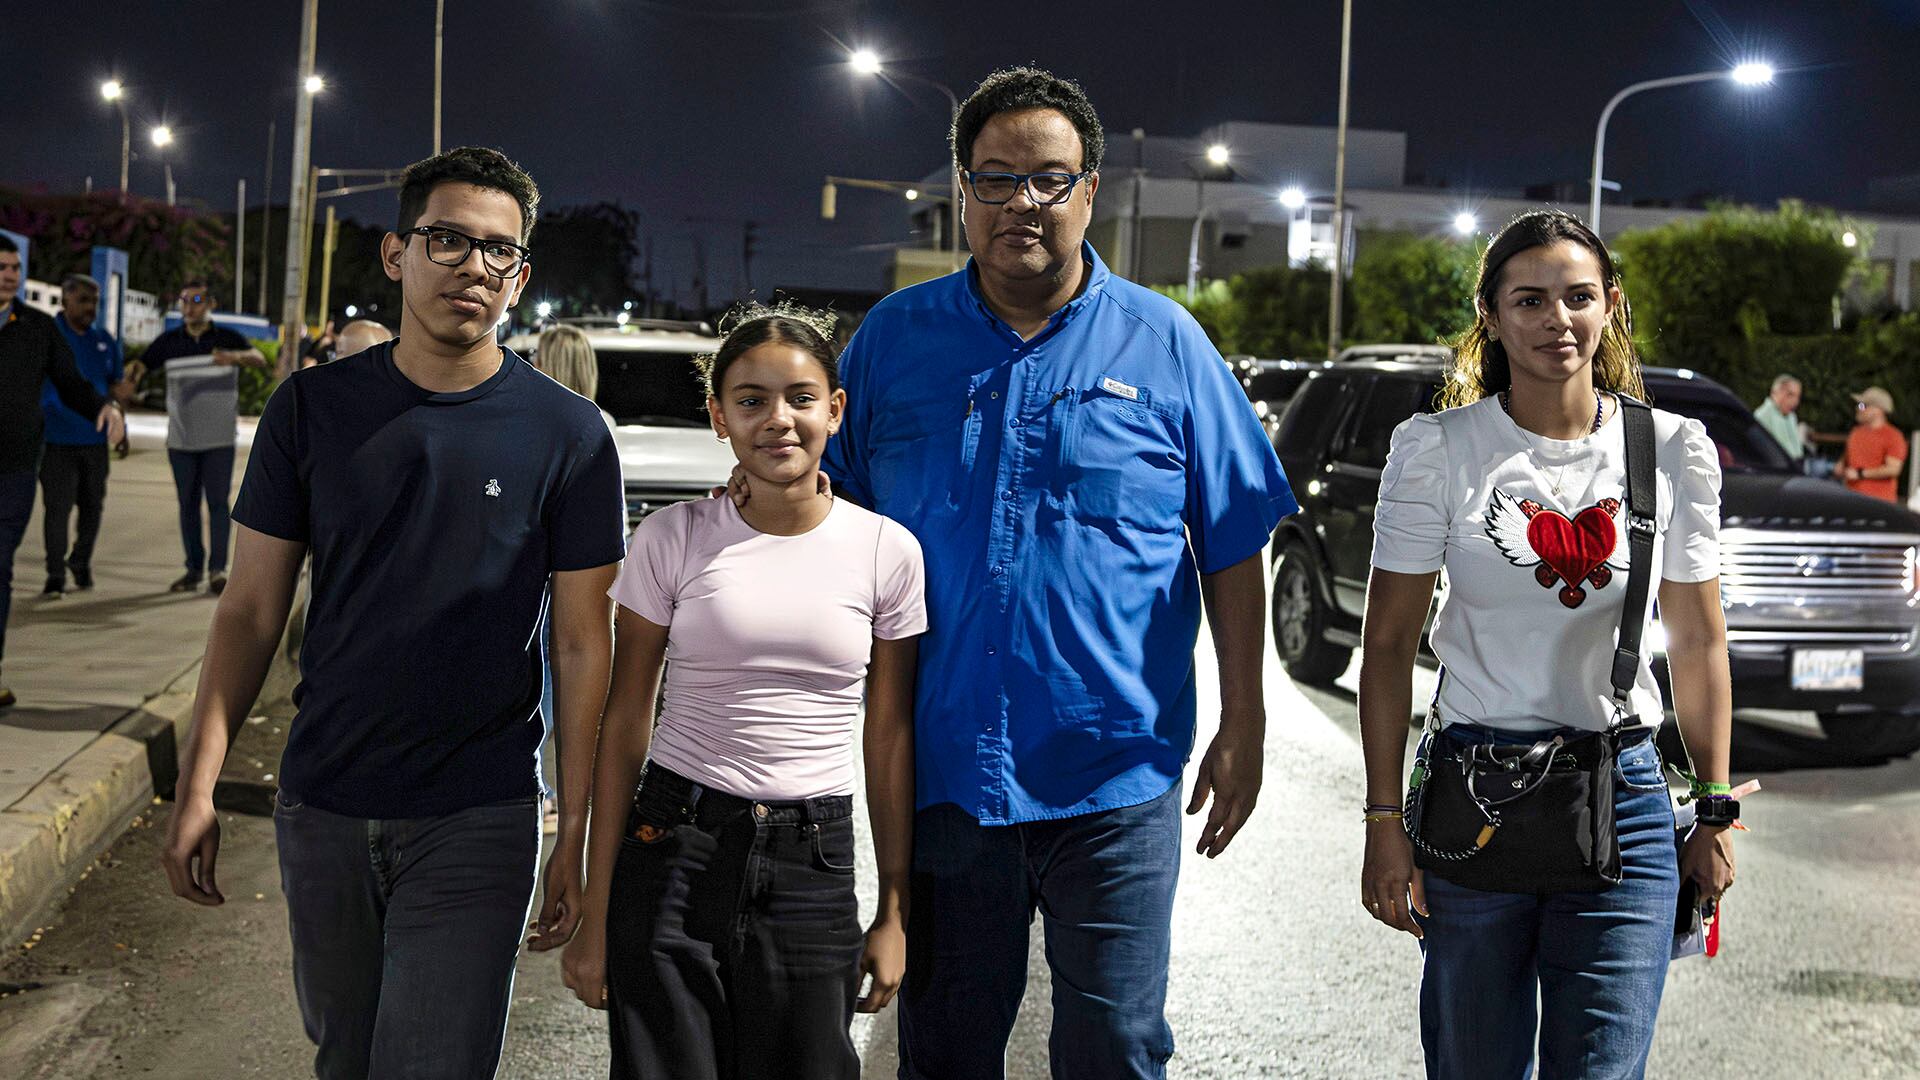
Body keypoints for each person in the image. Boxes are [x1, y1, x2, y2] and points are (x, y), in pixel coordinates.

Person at [816, 66, 1297, 1078]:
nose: (1019, 203)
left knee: (1116, 1046)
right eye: (993, 180)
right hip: (947, 777)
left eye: (1047, 179)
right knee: (943, 1050)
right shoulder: (895, 343)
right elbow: (830, 525)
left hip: (1115, 775)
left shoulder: (1168, 347)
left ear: (1088, 193)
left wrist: (1244, 721)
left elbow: (1234, 543)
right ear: (960, 194)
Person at [160, 146, 625, 1079]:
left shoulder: (569, 435)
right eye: (447, 239)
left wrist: (571, 834)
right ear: (396, 254)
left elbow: (583, 647)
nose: (473, 267)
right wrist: (199, 783)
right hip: (324, 799)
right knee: (347, 1058)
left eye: (499, 251)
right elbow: (251, 611)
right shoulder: (311, 410)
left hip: (478, 810)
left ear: (521, 275)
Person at [1356, 209, 1736, 1079]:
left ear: (1611, 306)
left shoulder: (1673, 450)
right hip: (1473, 797)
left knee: (1601, 1067)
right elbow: (1385, 650)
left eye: (1577, 297)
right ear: (1491, 314)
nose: (1555, 320)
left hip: (1626, 797)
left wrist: (1713, 808)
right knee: (1475, 1063)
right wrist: (1383, 820)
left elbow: (1699, 641)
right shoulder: (1437, 451)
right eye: (1528, 300)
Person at [561, 304, 924, 1079]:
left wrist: (894, 908)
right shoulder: (672, 538)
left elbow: (888, 736)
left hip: (813, 865)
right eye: (751, 400)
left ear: (835, 409)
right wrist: (597, 910)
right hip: (672, 847)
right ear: (719, 417)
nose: (778, 420)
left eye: (799, 397)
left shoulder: (887, 552)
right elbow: (625, 724)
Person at [0, 235, 126, 709]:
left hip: (13, 468)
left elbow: (71, 382)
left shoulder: (36, 327)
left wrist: (104, 407)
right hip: (42, 451)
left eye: (14, 266)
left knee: (0, 567)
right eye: (2, 267)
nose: (10, 274)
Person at [134, 280, 268, 595]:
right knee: (187, 505)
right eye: (184, 301)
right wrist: (131, 377)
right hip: (181, 440)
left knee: (218, 504)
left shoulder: (226, 338)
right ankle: (193, 569)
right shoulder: (168, 341)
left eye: (196, 300)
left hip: (219, 439)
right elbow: (141, 364)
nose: (189, 306)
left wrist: (233, 358)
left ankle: (217, 571)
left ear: (210, 304)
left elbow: (260, 359)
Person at [40, 274, 131, 596]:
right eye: (83, 300)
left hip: (95, 442)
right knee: (58, 510)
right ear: (65, 301)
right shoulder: (48, 337)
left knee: (93, 508)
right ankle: (55, 575)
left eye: (94, 301)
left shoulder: (104, 341)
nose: (90, 307)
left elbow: (115, 390)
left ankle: (80, 561)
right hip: (56, 440)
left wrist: (122, 428)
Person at [1840, 386, 1906, 503]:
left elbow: (1893, 469)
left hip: (1879, 503)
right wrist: (1840, 466)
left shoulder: (1893, 436)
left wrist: (1861, 474)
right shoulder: (1855, 433)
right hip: (1851, 499)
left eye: (1862, 405)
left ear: (1877, 410)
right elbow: (1847, 461)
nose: (1858, 408)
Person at [1752, 373, 1805, 463]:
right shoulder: (1762, 416)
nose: (1795, 401)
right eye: (1790, 395)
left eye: (1797, 397)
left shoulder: (1791, 416)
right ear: (1775, 393)